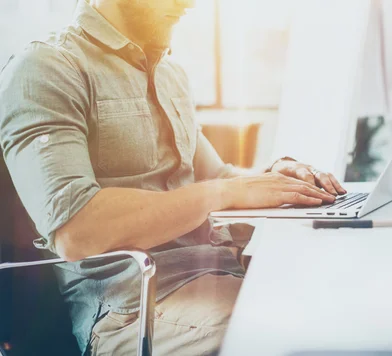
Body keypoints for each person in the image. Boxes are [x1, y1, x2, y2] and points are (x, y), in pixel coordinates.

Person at [0, 0, 346, 354]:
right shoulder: (46, 69)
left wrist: (275, 177)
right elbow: (78, 231)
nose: (188, 4)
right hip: (132, 308)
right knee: (307, 337)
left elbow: (217, 177)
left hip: (221, 274)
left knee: (346, 302)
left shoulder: (169, 74)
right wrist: (227, 190)